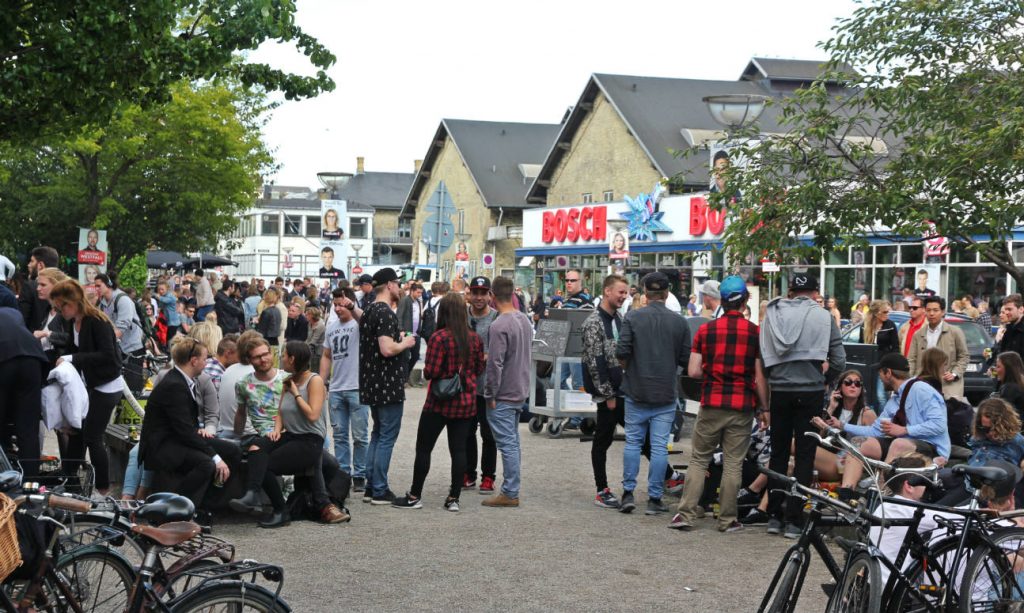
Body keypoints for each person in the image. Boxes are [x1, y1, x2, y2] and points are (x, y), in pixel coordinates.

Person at [668, 276, 768, 533]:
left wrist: (715, 372)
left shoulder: (705, 331)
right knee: (734, 463)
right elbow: (758, 377)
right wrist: (764, 408)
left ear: (721, 301)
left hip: (712, 401)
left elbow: (694, 371)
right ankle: (727, 519)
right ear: (745, 300)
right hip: (742, 405)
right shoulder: (754, 332)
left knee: (699, 459)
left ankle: (685, 514)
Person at [760, 273, 845, 538]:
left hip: (781, 390)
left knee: (779, 453)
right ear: (814, 291)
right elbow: (839, 359)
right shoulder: (824, 317)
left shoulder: (772, 314)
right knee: (805, 456)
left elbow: (764, 359)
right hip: (810, 390)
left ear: (790, 291)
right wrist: (825, 381)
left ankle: (774, 515)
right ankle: (794, 520)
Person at [230, 341, 343, 527]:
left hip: (310, 440)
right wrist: (275, 430)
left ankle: (281, 511)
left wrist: (296, 393)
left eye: (283, 356)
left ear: (292, 359)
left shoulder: (314, 380)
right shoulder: (288, 380)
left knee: (266, 465)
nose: (279, 359)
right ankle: (251, 494)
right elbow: (280, 410)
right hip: (290, 434)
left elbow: (313, 415)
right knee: (256, 447)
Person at [392, 293, 486, 512]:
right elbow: (480, 369)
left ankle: (415, 495)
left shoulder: (439, 337)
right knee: (459, 450)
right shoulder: (474, 338)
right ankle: (453, 498)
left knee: (424, 448)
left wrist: (434, 372)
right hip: (466, 402)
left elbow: (431, 371)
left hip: (439, 403)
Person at [615, 271, 691, 515]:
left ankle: (628, 493)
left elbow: (622, 352)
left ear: (645, 293)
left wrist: (632, 369)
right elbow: (685, 359)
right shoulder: (680, 322)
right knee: (659, 447)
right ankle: (654, 498)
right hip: (665, 392)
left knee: (633, 443)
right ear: (667, 293)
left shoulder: (633, 318)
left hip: (636, 389)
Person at [826, 353, 950, 498]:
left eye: (880, 373)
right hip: (905, 442)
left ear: (888, 373)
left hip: (933, 447)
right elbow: (875, 430)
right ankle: (847, 493)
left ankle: (879, 495)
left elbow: (939, 424)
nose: (879, 377)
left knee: (898, 443)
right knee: (858, 442)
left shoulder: (921, 389)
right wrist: (841, 425)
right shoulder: (895, 399)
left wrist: (904, 430)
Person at [138, 336, 237, 510]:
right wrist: (215, 457)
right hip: (163, 446)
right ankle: (174, 506)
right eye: (205, 359)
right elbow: (183, 431)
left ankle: (207, 505)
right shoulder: (174, 385)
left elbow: (186, 428)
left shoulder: (182, 379)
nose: (207, 363)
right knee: (206, 463)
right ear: (194, 360)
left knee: (233, 451)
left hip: (177, 438)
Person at [49, 280, 124, 498]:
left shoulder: (96, 322)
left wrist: (71, 358)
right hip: (93, 386)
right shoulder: (74, 323)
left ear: (73, 302)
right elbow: (74, 350)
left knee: (92, 436)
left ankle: (102, 489)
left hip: (108, 386)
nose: (60, 311)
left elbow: (108, 356)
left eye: (62, 306)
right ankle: (71, 480)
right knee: (77, 433)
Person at [359, 268, 417, 505]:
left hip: (372, 382)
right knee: (386, 437)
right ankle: (380, 489)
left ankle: (372, 487)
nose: (400, 288)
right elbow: (386, 349)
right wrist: (405, 343)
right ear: (390, 285)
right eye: (398, 284)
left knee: (377, 434)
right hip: (387, 383)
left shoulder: (370, 310)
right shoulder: (384, 312)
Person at [481, 276, 533, 508]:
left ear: (492, 295)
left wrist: (489, 393)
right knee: (513, 442)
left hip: (503, 393)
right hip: (520, 388)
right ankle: (511, 488)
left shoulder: (499, 324)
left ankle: (510, 492)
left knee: (507, 444)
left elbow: (495, 364)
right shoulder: (523, 320)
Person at [321, 287, 370, 492]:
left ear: (350, 303)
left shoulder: (359, 323)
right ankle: (343, 474)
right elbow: (326, 355)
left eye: (341, 304)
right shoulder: (331, 327)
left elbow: (367, 319)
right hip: (337, 388)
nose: (338, 309)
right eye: (335, 305)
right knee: (340, 435)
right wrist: (322, 382)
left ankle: (360, 474)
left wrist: (354, 307)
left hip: (357, 387)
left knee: (360, 435)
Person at [935, 399, 1024, 506]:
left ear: (1003, 424)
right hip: (968, 485)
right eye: (984, 428)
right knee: (937, 510)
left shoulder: (1017, 442)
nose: (989, 433)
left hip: (990, 495)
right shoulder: (979, 437)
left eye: (993, 428)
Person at [0, 307, 46, 476]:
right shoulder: (13, 312)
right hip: (32, 358)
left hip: (3, 360)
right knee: (28, 428)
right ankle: (31, 482)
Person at [465, 276, 498, 493]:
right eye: (475, 293)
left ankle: (488, 476)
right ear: (469, 294)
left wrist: (489, 355)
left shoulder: (497, 318)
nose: (478, 297)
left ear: (489, 296)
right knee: (467, 432)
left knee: (488, 434)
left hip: (487, 387)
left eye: (483, 293)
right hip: (466, 386)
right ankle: (468, 473)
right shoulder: (462, 317)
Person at [812, 370, 877, 482]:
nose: (853, 386)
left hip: (846, 465)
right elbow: (820, 438)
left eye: (857, 384)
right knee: (799, 446)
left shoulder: (867, 414)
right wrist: (831, 407)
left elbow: (874, 447)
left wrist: (840, 425)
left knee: (803, 446)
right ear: (840, 387)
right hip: (830, 456)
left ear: (861, 389)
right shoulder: (835, 409)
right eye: (848, 382)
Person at [907, 296, 969, 399]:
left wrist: (954, 373)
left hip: (948, 386)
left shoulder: (955, 332)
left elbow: (964, 356)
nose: (931, 314)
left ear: (943, 312)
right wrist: (911, 379)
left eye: (935, 310)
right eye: (928, 310)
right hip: (923, 385)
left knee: (947, 413)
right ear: (924, 312)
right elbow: (911, 359)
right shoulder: (918, 334)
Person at [397, 283, 424, 380]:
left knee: (416, 355)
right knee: (405, 356)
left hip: (416, 333)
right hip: (407, 332)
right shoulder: (405, 300)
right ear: (412, 291)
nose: (419, 294)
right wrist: (401, 330)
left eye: (421, 293)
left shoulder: (418, 302)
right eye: (418, 292)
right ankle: (404, 378)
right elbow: (399, 315)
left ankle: (406, 375)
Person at [994, 351, 1024, 424]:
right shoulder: (1019, 384)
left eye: (998, 366)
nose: (995, 370)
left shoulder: (1009, 388)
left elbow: (1002, 417)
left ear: (1008, 368)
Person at [255, 287, 282, 365]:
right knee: (275, 364)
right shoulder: (277, 310)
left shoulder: (266, 312)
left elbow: (261, 330)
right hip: (275, 340)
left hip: (267, 341)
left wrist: (256, 323)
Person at [995, 294, 1024, 359]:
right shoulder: (1009, 329)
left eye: (1009, 309)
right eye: (1006, 309)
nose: (1006, 312)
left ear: (1021, 309)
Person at [304, 306, 325, 374]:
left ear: (312, 315)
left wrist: (304, 348)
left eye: (307, 314)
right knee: (312, 367)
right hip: (311, 348)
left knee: (316, 369)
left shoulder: (320, 326)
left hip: (318, 350)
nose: (306, 316)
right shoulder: (309, 323)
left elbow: (314, 340)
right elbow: (308, 338)